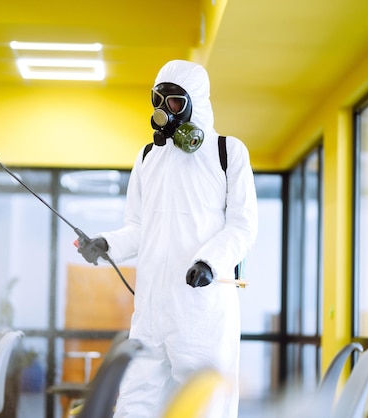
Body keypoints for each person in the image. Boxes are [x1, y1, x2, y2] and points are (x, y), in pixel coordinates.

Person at [76, 59, 258, 418]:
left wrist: (210, 262)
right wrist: (106, 244)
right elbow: (139, 228)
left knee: (202, 406)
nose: (164, 111)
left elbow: (243, 225)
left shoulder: (227, 152)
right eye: (157, 101)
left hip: (200, 308)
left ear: (196, 102)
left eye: (174, 102)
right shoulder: (147, 157)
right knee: (135, 402)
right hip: (151, 308)